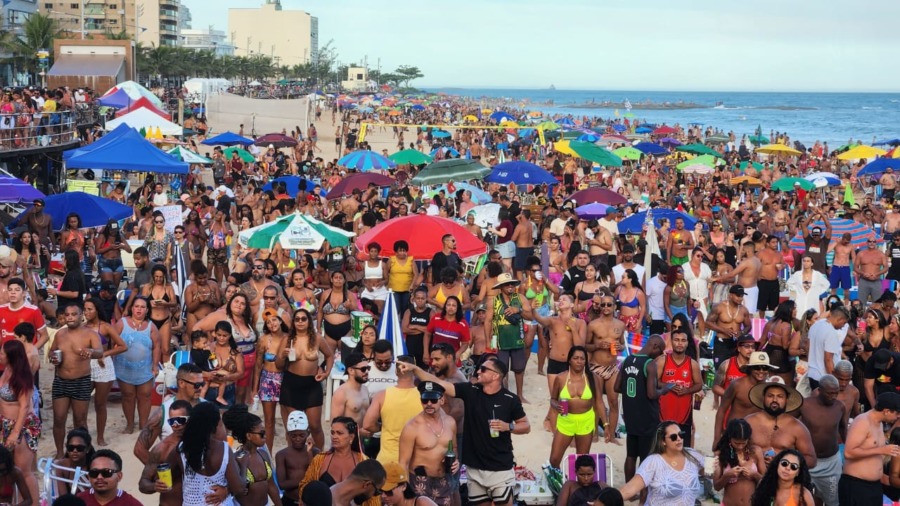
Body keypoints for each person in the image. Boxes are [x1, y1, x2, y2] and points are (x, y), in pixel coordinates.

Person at [401, 355, 530, 506]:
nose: (478, 371)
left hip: (500, 468)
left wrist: (508, 426)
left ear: (495, 376)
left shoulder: (510, 399)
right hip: (475, 468)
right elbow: (439, 383)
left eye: (483, 369)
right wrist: (416, 369)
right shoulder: (471, 390)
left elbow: (526, 426)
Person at [50, 304, 104, 458]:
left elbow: (100, 352)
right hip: (61, 380)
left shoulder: (90, 334)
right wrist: (53, 357)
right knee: (59, 419)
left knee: (80, 421)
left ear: (81, 316)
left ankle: (82, 452)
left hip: (81, 381)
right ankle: (60, 453)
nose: (70, 317)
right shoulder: (60, 334)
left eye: (74, 314)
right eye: (67, 315)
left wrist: (91, 352)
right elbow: (53, 351)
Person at [165, 402, 245, 506]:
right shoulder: (223, 449)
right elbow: (238, 488)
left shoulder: (181, 449)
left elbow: (164, 473)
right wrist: (243, 465)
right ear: (216, 425)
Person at [615, 334, 668, 488]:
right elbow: (651, 394)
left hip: (630, 415)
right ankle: (643, 492)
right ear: (655, 346)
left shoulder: (628, 359)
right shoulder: (649, 364)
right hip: (647, 417)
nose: (660, 356)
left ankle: (628, 488)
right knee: (646, 457)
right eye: (660, 352)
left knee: (631, 455)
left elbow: (616, 387)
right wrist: (664, 390)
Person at [397, 381, 458, 506]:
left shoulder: (450, 422)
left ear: (442, 400)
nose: (429, 404)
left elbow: (454, 447)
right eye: (425, 400)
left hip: (443, 481)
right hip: (420, 483)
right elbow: (403, 462)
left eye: (433, 400)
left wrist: (456, 461)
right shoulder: (412, 427)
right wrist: (405, 493)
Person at [618, 421, 706, 505]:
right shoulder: (654, 462)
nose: (679, 439)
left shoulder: (692, 455)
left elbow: (711, 475)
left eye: (681, 435)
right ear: (663, 441)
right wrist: (610, 498)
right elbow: (630, 489)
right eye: (673, 437)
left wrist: (715, 468)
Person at [281, 307, 332, 451]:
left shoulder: (317, 339)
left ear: (309, 321)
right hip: (291, 384)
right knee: (293, 427)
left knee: (315, 426)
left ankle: (319, 458)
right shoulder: (288, 339)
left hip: (311, 384)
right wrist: (282, 356)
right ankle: (294, 458)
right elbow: (279, 364)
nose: (300, 322)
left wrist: (326, 372)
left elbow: (329, 355)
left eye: (303, 319)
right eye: (297, 319)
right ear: (293, 322)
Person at [133, 363, 206, 465]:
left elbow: (221, 444)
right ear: (181, 383)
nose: (201, 388)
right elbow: (140, 449)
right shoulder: (163, 412)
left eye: (203, 384)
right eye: (197, 385)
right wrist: (162, 472)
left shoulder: (208, 408)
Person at [839, 392, 900, 505]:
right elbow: (848, 453)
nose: (898, 417)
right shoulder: (862, 422)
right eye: (897, 413)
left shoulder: (879, 424)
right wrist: (881, 450)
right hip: (856, 486)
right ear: (886, 411)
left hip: (874, 486)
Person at [745, 376, 816, 468]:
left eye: (780, 396)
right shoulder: (749, 422)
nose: (775, 400)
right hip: (752, 475)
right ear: (764, 398)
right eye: (770, 396)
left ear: (786, 399)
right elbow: (731, 447)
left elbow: (811, 460)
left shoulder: (797, 427)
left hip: (782, 477)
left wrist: (784, 462)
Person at [112, 297, 160, 434]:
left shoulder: (152, 326)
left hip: (145, 368)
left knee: (144, 396)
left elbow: (157, 347)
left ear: (147, 310)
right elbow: (112, 342)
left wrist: (155, 366)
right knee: (128, 395)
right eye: (136, 306)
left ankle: (143, 424)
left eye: (142, 307)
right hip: (124, 367)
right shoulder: (122, 323)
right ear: (132, 308)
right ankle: (129, 424)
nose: (139, 309)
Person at [549, 346, 603, 468]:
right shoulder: (561, 378)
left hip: (585, 421)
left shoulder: (592, 378)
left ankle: (577, 486)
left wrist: (606, 425)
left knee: (582, 460)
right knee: (554, 459)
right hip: (566, 421)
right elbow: (552, 399)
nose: (579, 361)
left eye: (582, 359)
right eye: (576, 358)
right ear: (569, 360)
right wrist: (556, 405)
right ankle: (559, 484)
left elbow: (599, 402)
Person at [364, 354, 422, 465]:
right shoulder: (423, 397)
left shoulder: (382, 395)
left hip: (388, 458)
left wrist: (383, 427)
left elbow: (367, 424)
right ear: (414, 371)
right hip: (415, 459)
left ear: (395, 372)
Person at [83, 299, 126, 447]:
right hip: (86, 366)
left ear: (97, 310)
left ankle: (100, 436)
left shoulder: (105, 327)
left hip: (103, 366)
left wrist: (105, 353)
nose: (87, 312)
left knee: (100, 404)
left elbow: (122, 346)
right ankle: (84, 435)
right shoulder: (81, 328)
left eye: (90, 309)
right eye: (85, 309)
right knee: (82, 403)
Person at [0, 340, 39, 502]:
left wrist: (15, 433)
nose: (0, 355)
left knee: (24, 471)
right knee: (8, 469)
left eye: (2, 353)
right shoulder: (6, 371)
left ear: (11, 356)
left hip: (22, 426)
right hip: (5, 424)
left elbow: (24, 407)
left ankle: (33, 503)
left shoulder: (23, 376)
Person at [221, 405, 282, 506]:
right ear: (249, 436)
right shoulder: (237, 458)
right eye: (262, 434)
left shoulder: (263, 454)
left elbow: (271, 486)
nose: (265, 436)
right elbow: (235, 489)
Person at [485, 273, 533, 404]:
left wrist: (518, 310)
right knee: (501, 370)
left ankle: (520, 395)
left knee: (519, 369)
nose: (510, 286)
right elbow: (488, 321)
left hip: (518, 340)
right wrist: (488, 341)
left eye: (512, 283)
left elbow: (530, 316)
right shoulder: (493, 301)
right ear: (501, 287)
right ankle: (503, 395)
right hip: (500, 341)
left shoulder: (521, 298)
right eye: (507, 284)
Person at [798, 374, 845, 506]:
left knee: (833, 500)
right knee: (806, 499)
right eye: (830, 393)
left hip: (831, 463)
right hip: (807, 461)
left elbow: (843, 428)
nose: (834, 397)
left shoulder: (840, 406)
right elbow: (790, 424)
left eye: (836, 393)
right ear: (819, 390)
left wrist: (847, 450)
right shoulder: (805, 404)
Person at [583, 291, 623, 441]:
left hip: (613, 367)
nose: (606, 307)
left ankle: (611, 435)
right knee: (595, 401)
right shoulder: (593, 325)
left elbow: (623, 346)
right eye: (603, 304)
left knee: (614, 401)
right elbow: (586, 346)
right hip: (597, 367)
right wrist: (598, 345)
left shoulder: (620, 325)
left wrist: (620, 347)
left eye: (609, 304)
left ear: (614, 307)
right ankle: (594, 434)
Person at [137, 400, 191, 506]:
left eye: (180, 420)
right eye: (172, 422)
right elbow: (143, 483)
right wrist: (155, 486)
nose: (175, 425)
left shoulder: (203, 442)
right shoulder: (162, 449)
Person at [655, 328, 702, 447]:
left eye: (683, 340)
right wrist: (668, 386)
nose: (680, 343)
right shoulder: (662, 361)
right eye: (676, 340)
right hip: (663, 413)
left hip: (684, 415)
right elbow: (654, 381)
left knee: (682, 448)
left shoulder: (693, 364)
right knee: (661, 448)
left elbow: (699, 385)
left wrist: (687, 390)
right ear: (671, 341)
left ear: (687, 343)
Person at [298, 416, 370, 495]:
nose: (334, 437)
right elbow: (304, 485)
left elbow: (372, 495)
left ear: (351, 437)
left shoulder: (363, 461)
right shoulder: (320, 459)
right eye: (332, 433)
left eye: (339, 433)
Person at [251, 308, 289, 451]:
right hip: (267, 380)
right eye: (268, 322)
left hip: (285, 379)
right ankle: (268, 454)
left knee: (287, 420)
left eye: (274, 319)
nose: (272, 323)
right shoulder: (263, 340)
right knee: (269, 421)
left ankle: (291, 452)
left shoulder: (289, 337)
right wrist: (255, 389)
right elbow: (258, 365)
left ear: (280, 320)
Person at [712, 419, 764, 506]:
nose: (740, 447)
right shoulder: (720, 454)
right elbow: (716, 487)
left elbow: (766, 482)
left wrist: (755, 475)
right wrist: (727, 475)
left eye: (743, 443)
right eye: (736, 443)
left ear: (748, 439)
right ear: (730, 438)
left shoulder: (756, 452)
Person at [749, 449, 815, 506]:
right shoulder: (764, 485)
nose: (787, 468)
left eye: (793, 467)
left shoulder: (803, 494)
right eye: (784, 463)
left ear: (798, 473)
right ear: (777, 464)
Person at [75, 450, 142, 506]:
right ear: (89, 476)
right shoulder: (77, 502)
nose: (99, 477)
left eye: (106, 472)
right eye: (94, 473)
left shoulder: (132, 504)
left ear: (119, 476)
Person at [806, 306, 850, 390]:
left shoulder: (815, 325)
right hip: (824, 378)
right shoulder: (831, 332)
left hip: (812, 374)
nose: (842, 327)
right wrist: (833, 381)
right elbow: (828, 360)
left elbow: (808, 347)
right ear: (839, 319)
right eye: (844, 323)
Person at [275, 411, 313, 506]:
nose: (298, 439)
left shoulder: (314, 451)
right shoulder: (282, 455)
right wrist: (306, 481)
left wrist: (309, 453)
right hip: (290, 500)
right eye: (294, 436)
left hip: (310, 501)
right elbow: (282, 484)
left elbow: (316, 475)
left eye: (301, 435)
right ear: (288, 435)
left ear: (308, 433)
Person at [140, 265, 177, 358]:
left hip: (165, 320)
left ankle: (166, 371)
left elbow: (174, 303)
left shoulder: (168, 287)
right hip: (151, 320)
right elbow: (142, 302)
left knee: (166, 349)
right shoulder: (147, 287)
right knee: (149, 348)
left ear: (164, 276)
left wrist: (166, 304)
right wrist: (149, 303)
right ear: (153, 276)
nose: (158, 279)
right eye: (156, 276)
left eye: (161, 277)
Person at [331, 353, 371, 430]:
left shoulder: (365, 389)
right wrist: (359, 432)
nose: (366, 372)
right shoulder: (341, 393)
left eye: (368, 368)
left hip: (364, 439)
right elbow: (335, 425)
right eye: (363, 369)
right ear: (351, 370)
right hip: (348, 440)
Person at [53, 427, 95, 497]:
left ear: (88, 448)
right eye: (71, 448)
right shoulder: (61, 466)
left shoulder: (95, 467)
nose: (74, 451)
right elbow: (63, 498)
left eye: (79, 448)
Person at [401, 287, 431, 370]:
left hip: (424, 348)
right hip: (410, 347)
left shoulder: (431, 312)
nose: (420, 300)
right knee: (410, 371)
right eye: (418, 298)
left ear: (426, 299)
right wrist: (423, 330)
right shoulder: (409, 311)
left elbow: (430, 330)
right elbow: (404, 329)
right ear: (414, 299)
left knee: (423, 372)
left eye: (422, 298)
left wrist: (415, 326)